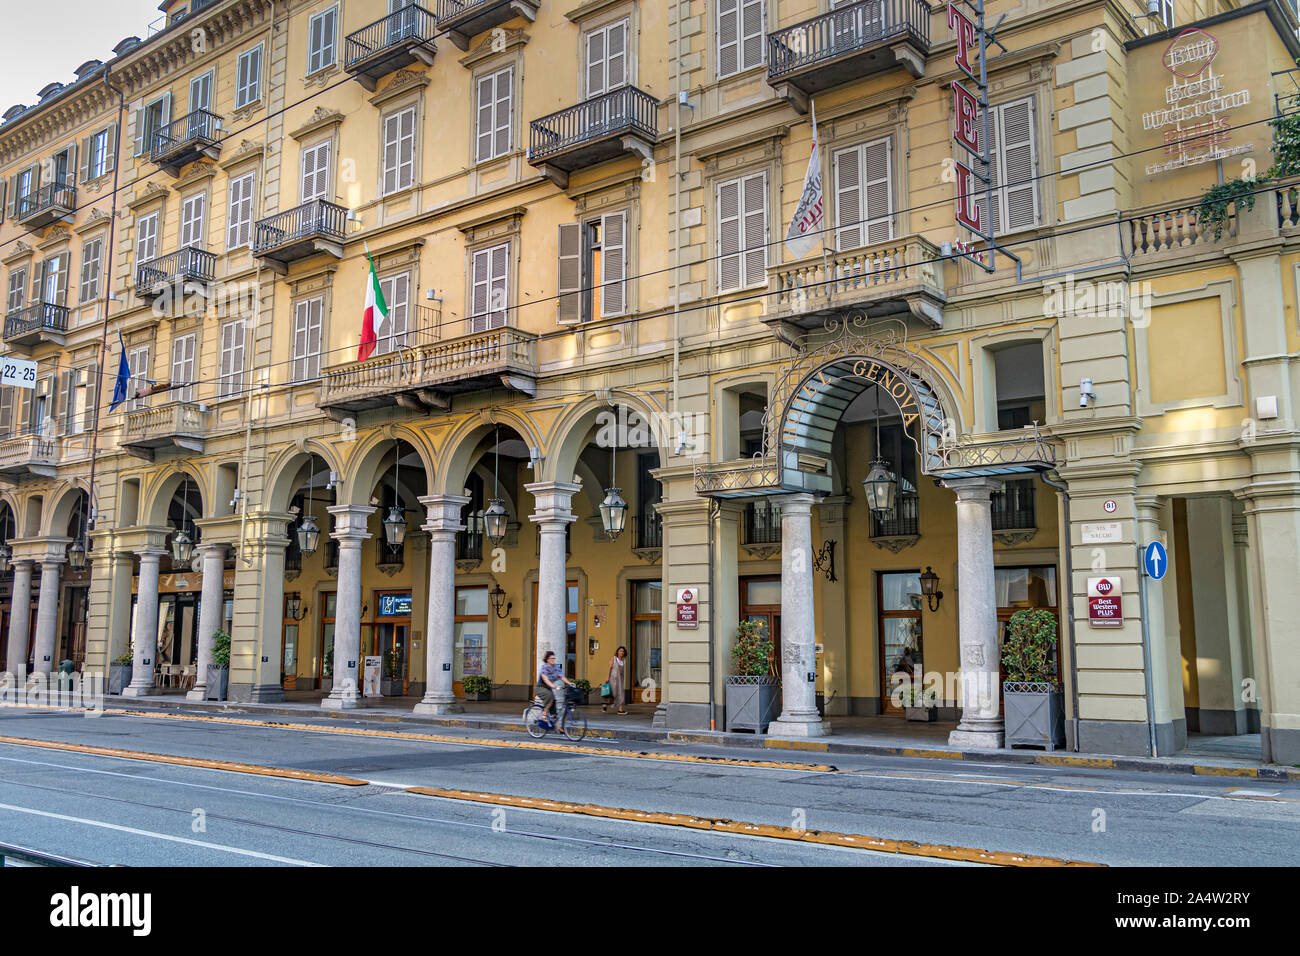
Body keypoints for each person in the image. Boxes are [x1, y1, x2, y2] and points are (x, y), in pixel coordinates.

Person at [535, 650, 572, 721]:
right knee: (550, 696)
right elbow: (546, 679)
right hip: (540, 687)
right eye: (551, 658)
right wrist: (553, 686)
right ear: (547, 659)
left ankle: (558, 728)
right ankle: (544, 713)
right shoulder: (544, 667)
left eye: (554, 658)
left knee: (554, 705)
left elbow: (562, 677)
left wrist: (569, 683)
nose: (553, 660)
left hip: (548, 687)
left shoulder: (556, 667)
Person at [603, 645, 628, 715]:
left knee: (620, 693)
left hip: (620, 679)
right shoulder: (614, 658)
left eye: (623, 651)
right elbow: (610, 668)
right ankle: (605, 704)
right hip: (613, 678)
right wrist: (607, 678)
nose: (622, 652)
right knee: (612, 692)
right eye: (620, 651)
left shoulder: (623, 661)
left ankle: (620, 709)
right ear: (617, 652)